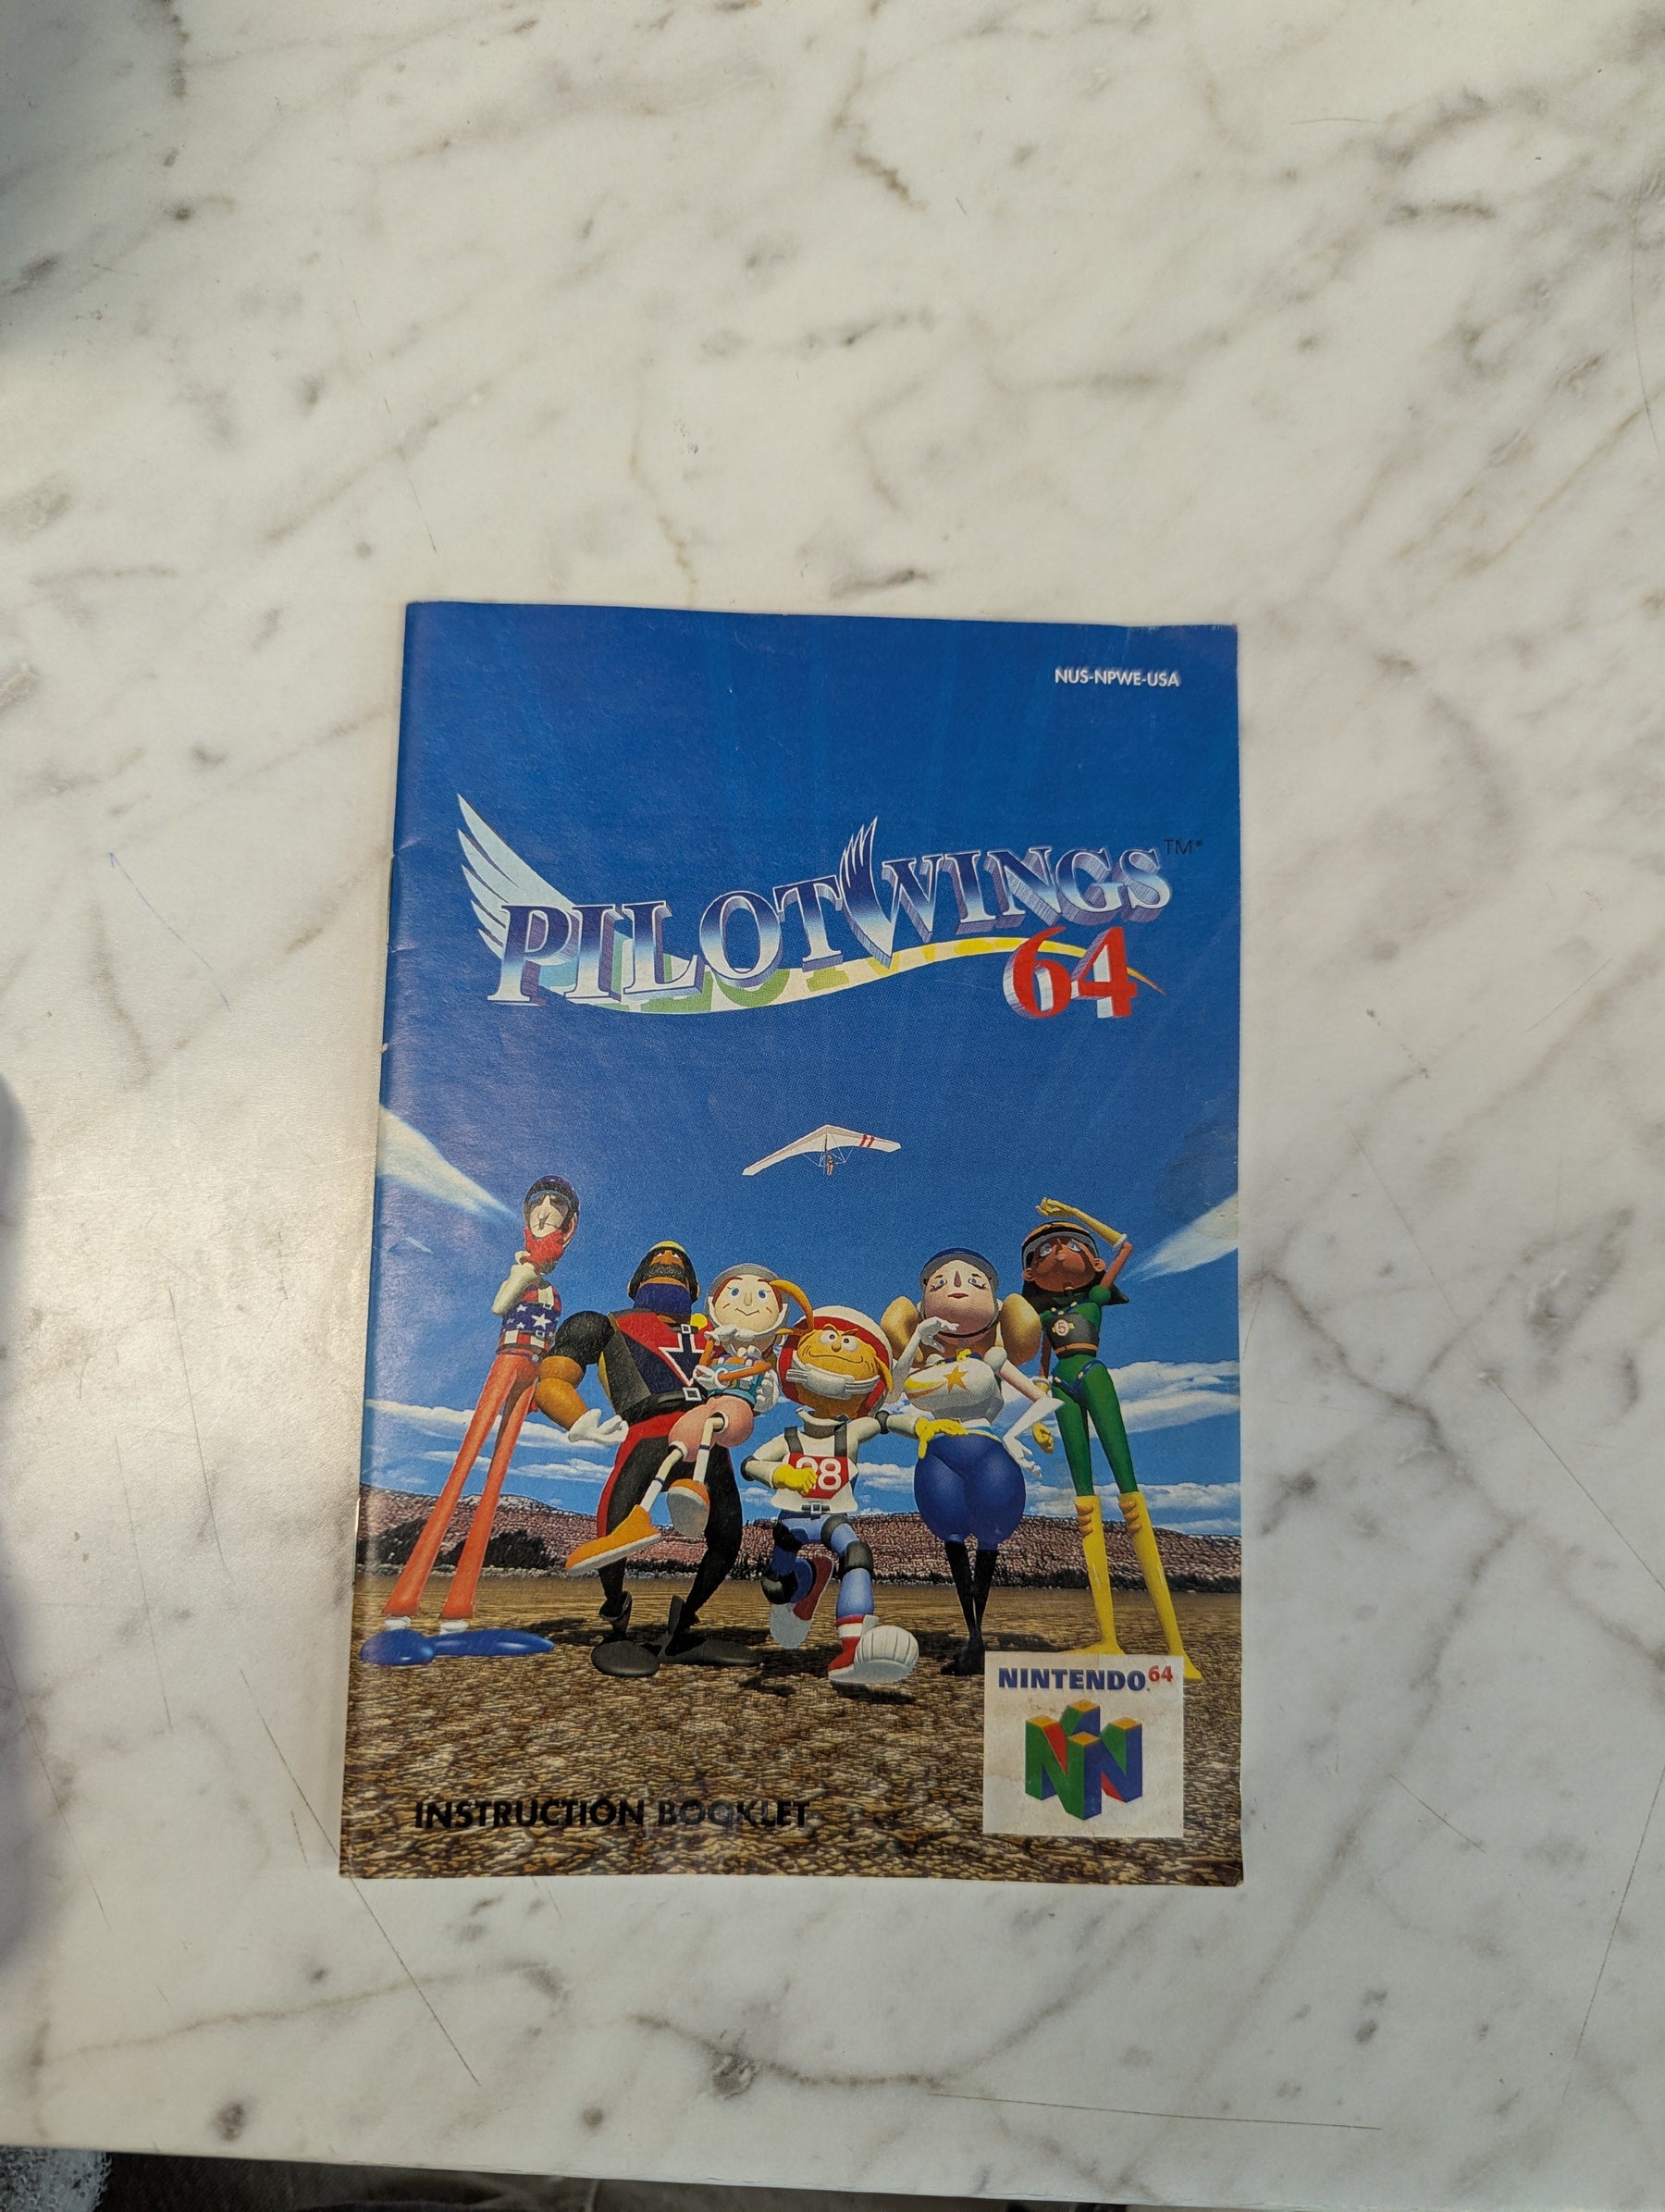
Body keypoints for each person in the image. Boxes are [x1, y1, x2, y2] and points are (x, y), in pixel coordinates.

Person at [534, 1242, 751, 1677]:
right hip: (646, 1430)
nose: (668, 1260)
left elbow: (754, 1371)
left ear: (694, 1289)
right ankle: (616, 1619)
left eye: (678, 1261)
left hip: (706, 1432)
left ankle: (683, 1628)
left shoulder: (719, 1332)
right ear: (634, 1282)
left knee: (727, 1537)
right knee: (614, 1529)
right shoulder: (606, 1325)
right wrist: (577, 1418)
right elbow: (553, 1376)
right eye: (658, 1259)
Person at [1020, 1208, 1200, 1679]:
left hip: (1091, 1375)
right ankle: (1108, 1638)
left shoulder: (1096, 1298)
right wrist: (1038, 1413)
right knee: (1085, 1505)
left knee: (1128, 1492)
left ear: (1095, 1263)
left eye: (1071, 1244)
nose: (1058, 1251)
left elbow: (1125, 1245)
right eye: (1045, 1250)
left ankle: (1176, 1648)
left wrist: (1072, 1214)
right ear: (1030, 1272)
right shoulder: (1044, 1317)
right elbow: (1041, 1371)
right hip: (1061, 1389)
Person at [881, 1251, 1054, 1674]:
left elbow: (1043, 1400)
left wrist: (1016, 1436)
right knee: (953, 1539)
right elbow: (892, 1394)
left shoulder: (992, 1360)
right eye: (938, 1283)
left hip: (988, 1449)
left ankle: (976, 1638)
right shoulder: (924, 1363)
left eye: (975, 1282)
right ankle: (974, 1636)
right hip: (937, 1455)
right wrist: (918, 1338)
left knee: (990, 1539)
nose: (956, 1286)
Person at [741, 1307, 919, 1688]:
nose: (837, 1349)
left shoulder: (849, 1435)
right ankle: (811, 1576)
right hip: (790, 1522)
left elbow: (886, 1421)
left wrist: (924, 1427)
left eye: (849, 1346)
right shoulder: (789, 1438)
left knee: (856, 1554)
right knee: (777, 1587)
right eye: (828, 1341)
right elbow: (751, 1463)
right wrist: (779, 1474)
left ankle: (854, 1649)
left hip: (832, 1519)